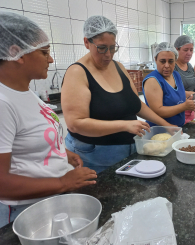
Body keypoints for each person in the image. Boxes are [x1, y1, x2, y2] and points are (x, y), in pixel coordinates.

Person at [0, 12, 97, 228]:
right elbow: (1, 183)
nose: (51, 59)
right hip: (24, 213)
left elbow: (29, 140)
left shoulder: (25, 92)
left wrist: (61, 153)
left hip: (50, 201)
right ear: (16, 53)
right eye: (44, 52)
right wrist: (62, 182)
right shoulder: (3, 102)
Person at [62, 16, 175, 173]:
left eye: (112, 47)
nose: (108, 54)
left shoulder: (118, 67)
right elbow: (76, 123)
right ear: (87, 42)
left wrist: (167, 126)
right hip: (96, 155)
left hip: (129, 150)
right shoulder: (77, 73)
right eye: (102, 48)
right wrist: (125, 125)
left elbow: (136, 104)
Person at [142, 42, 195, 127]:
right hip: (159, 132)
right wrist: (184, 106)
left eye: (171, 61)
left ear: (175, 60)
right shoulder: (153, 80)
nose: (167, 65)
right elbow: (158, 111)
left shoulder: (176, 75)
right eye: (162, 61)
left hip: (177, 129)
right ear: (155, 59)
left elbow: (175, 93)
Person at [174, 35, 195, 124]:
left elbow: (191, 86)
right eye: (185, 50)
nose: (189, 53)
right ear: (177, 50)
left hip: (192, 109)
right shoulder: (172, 68)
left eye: (191, 50)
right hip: (178, 110)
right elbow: (172, 91)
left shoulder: (189, 66)